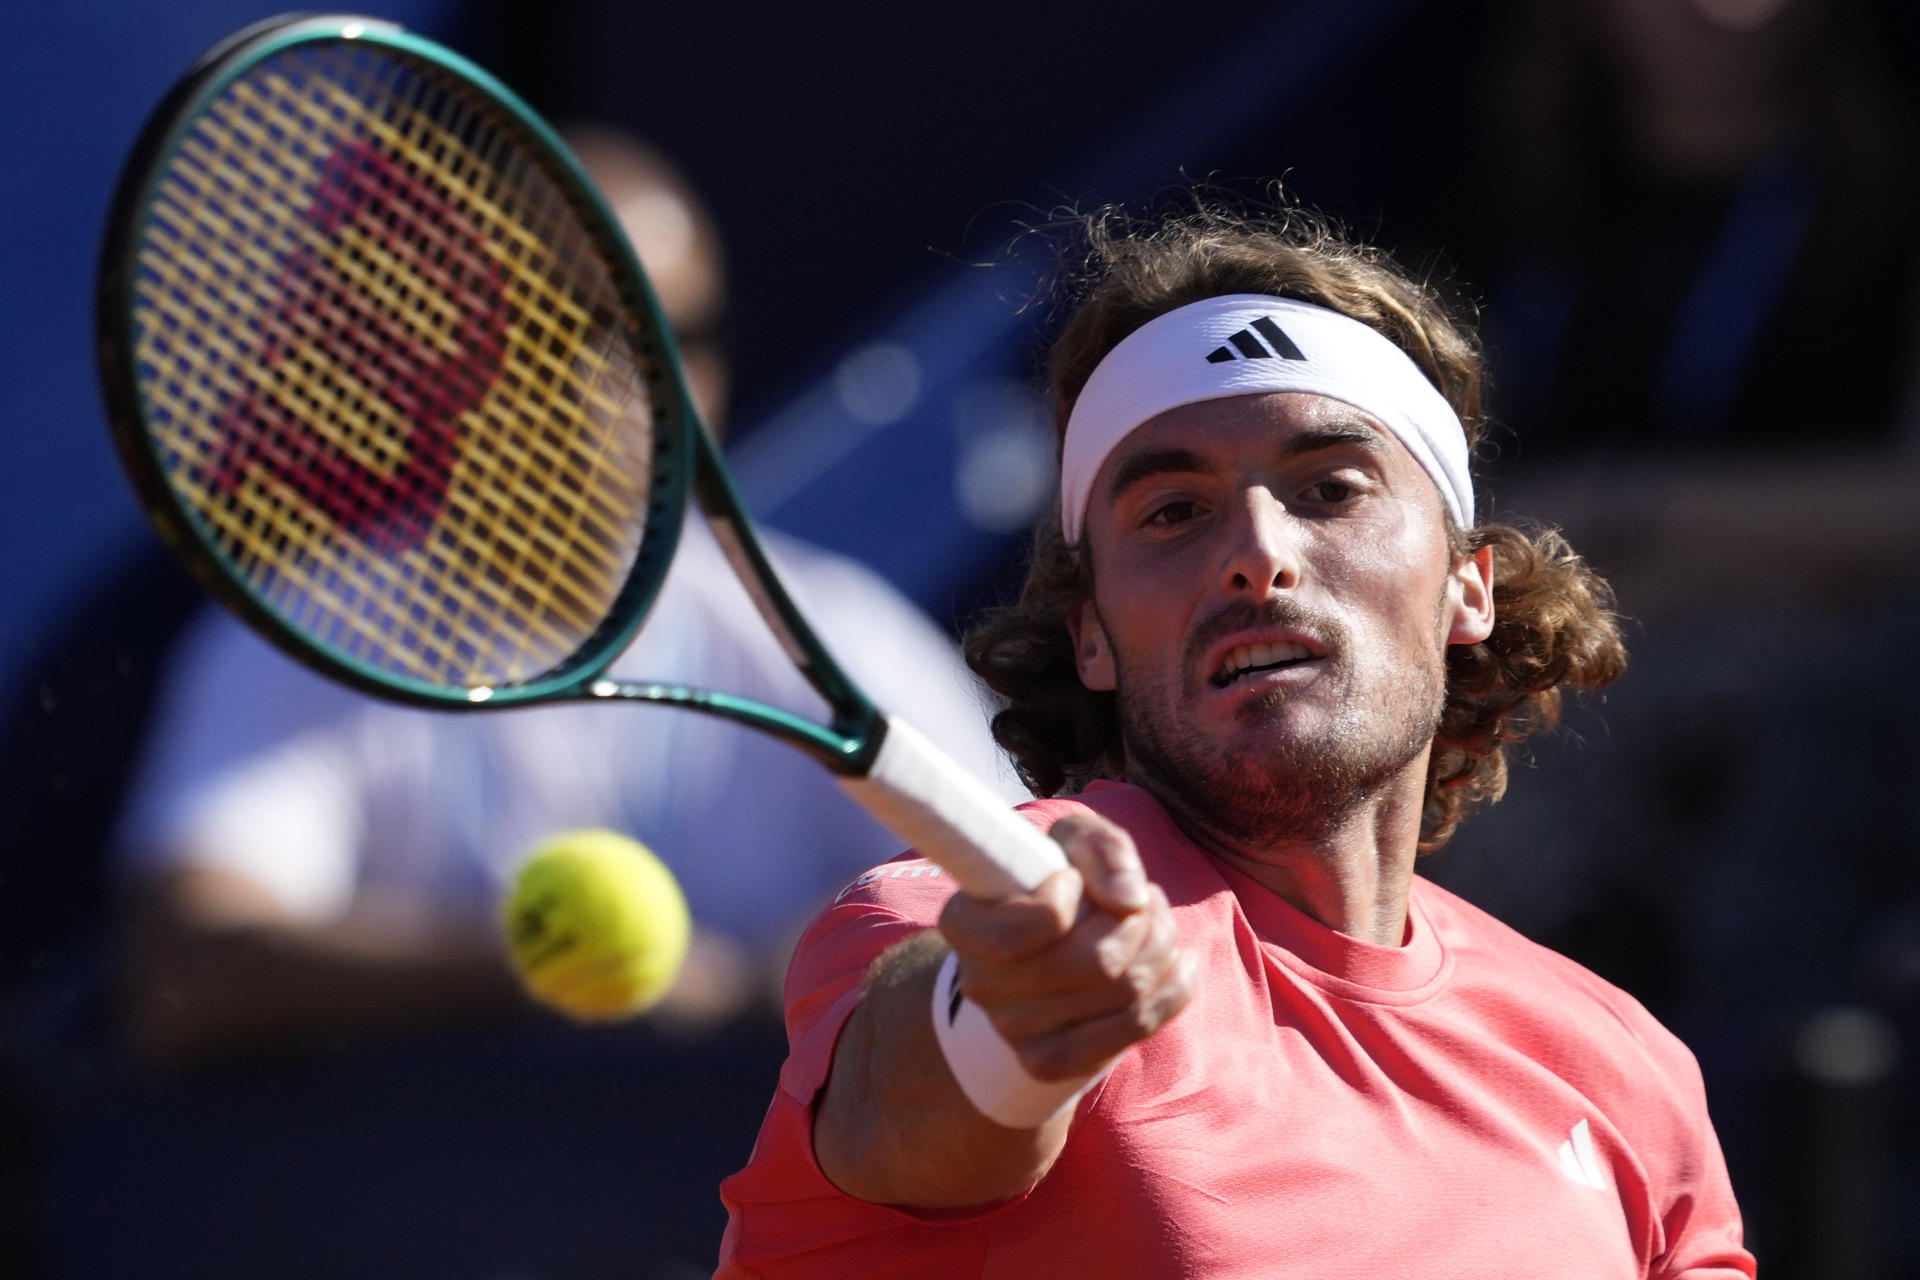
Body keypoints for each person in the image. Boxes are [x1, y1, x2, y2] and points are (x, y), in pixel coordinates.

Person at [715, 204, 1757, 1277]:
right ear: (1092, 638)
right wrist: (1008, 1021)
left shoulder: (1626, 1070)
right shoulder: (960, 917)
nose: (1258, 554)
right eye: (1173, 510)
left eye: (1330, 489)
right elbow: (904, 1110)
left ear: (1468, 587)